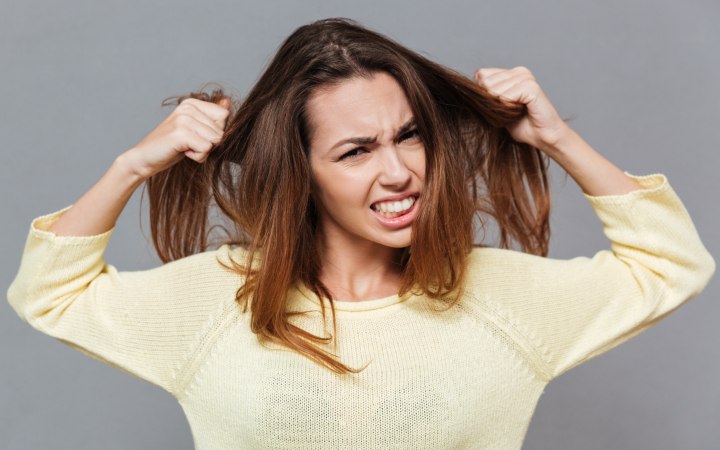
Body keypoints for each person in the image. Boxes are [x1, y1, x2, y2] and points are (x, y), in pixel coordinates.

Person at [6, 17, 715, 450]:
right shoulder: (220, 300)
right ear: (301, 172)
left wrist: (558, 139)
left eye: (409, 137)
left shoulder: (502, 298)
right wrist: (131, 165)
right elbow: (49, 293)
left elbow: (672, 264)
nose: (401, 171)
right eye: (356, 151)